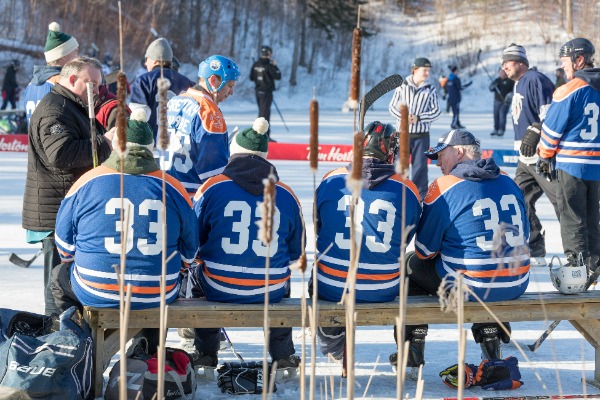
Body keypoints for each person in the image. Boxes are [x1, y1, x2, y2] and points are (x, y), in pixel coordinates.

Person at [52, 109, 198, 353]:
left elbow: (64, 247)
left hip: (95, 288)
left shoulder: (87, 181)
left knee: (58, 276)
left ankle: (77, 344)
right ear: (149, 148)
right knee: (156, 287)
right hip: (157, 290)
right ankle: (149, 354)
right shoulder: (173, 186)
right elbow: (190, 251)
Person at [394, 128, 530, 375]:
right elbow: (526, 235)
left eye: (440, 156)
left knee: (409, 265)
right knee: (486, 267)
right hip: (518, 281)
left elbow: (424, 250)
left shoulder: (445, 186)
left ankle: (413, 351)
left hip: (473, 286)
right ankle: (491, 345)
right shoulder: (509, 181)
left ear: (458, 153)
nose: (437, 164)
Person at [189, 117, 303, 374]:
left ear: (233, 154)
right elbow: (296, 252)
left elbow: (193, 242)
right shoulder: (286, 193)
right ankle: (283, 355)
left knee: (199, 279)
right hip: (270, 289)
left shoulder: (211, 187)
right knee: (284, 279)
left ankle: (206, 353)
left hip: (219, 286)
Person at [312, 121, 421, 363]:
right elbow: (406, 240)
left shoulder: (331, 179)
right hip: (382, 288)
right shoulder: (408, 188)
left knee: (319, 267)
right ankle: (411, 350)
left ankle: (332, 342)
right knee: (411, 268)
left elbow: (319, 227)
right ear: (391, 152)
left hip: (333, 286)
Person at [22, 56, 113, 316]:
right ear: (73, 80)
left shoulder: (72, 105)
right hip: (54, 213)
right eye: (92, 84)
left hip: (67, 209)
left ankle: (70, 337)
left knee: (68, 283)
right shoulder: (56, 108)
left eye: (99, 84)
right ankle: (56, 339)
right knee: (58, 288)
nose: (97, 90)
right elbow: (60, 154)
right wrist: (105, 143)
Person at [538, 38, 600, 272]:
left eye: (565, 61)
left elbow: (551, 131)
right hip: (596, 167)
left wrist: (544, 155)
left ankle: (576, 268)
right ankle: (595, 265)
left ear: (579, 60)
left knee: (573, 217)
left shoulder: (567, 90)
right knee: (593, 218)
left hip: (571, 165)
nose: (563, 66)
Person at [502, 43, 559, 267]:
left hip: (541, 155)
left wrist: (537, 129)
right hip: (524, 159)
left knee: (563, 203)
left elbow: (551, 114)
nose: (503, 65)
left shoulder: (535, 79)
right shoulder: (519, 84)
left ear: (520, 62)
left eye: (508, 61)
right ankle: (535, 245)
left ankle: (584, 253)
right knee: (518, 199)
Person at [161, 54, 239, 196]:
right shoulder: (209, 112)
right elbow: (214, 171)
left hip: (166, 189)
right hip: (192, 195)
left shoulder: (175, 101)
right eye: (230, 86)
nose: (232, 92)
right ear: (214, 81)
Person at [389, 57, 441, 200]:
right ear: (415, 70)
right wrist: (404, 116)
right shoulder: (402, 86)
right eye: (424, 70)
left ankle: (419, 198)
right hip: (402, 134)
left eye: (428, 71)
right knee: (400, 166)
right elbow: (392, 107)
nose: (427, 74)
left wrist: (418, 118)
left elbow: (436, 112)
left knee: (420, 169)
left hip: (422, 136)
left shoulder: (430, 89)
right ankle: (398, 194)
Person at [129, 37, 194, 144]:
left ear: (154, 60)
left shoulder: (144, 81)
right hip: (179, 148)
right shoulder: (188, 83)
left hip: (150, 147)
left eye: (147, 59)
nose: (146, 64)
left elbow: (137, 118)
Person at [23, 22, 79, 125]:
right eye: (75, 52)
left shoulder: (30, 85)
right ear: (63, 55)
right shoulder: (62, 82)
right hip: (57, 140)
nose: (78, 57)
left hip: (34, 140)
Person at [249, 45, 281, 141]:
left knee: (262, 113)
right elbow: (278, 76)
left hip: (258, 92)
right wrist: (275, 66)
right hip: (266, 93)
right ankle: (263, 136)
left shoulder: (255, 64)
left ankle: (262, 135)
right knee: (264, 115)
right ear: (269, 54)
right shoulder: (269, 66)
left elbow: (251, 77)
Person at [489, 68, 514, 136]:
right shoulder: (497, 80)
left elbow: (513, 90)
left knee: (502, 115)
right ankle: (496, 129)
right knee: (496, 115)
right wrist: (492, 86)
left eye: (502, 72)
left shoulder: (510, 81)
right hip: (497, 100)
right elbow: (490, 88)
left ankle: (501, 129)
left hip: (505, 101)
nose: (501, 74)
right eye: (500, 73)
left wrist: (509, 96)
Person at [446, 65, 472, 129]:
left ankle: (457, 123)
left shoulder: (449, 79)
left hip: (451, 98)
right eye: (457, 70)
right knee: (456, 112)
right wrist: (468, 84)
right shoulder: (456, 79)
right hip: (456, 98)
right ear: (455, 71)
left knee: (455, 111)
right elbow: (461, 87)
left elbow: (447, 88)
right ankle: (454, 124)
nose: (458, 72)